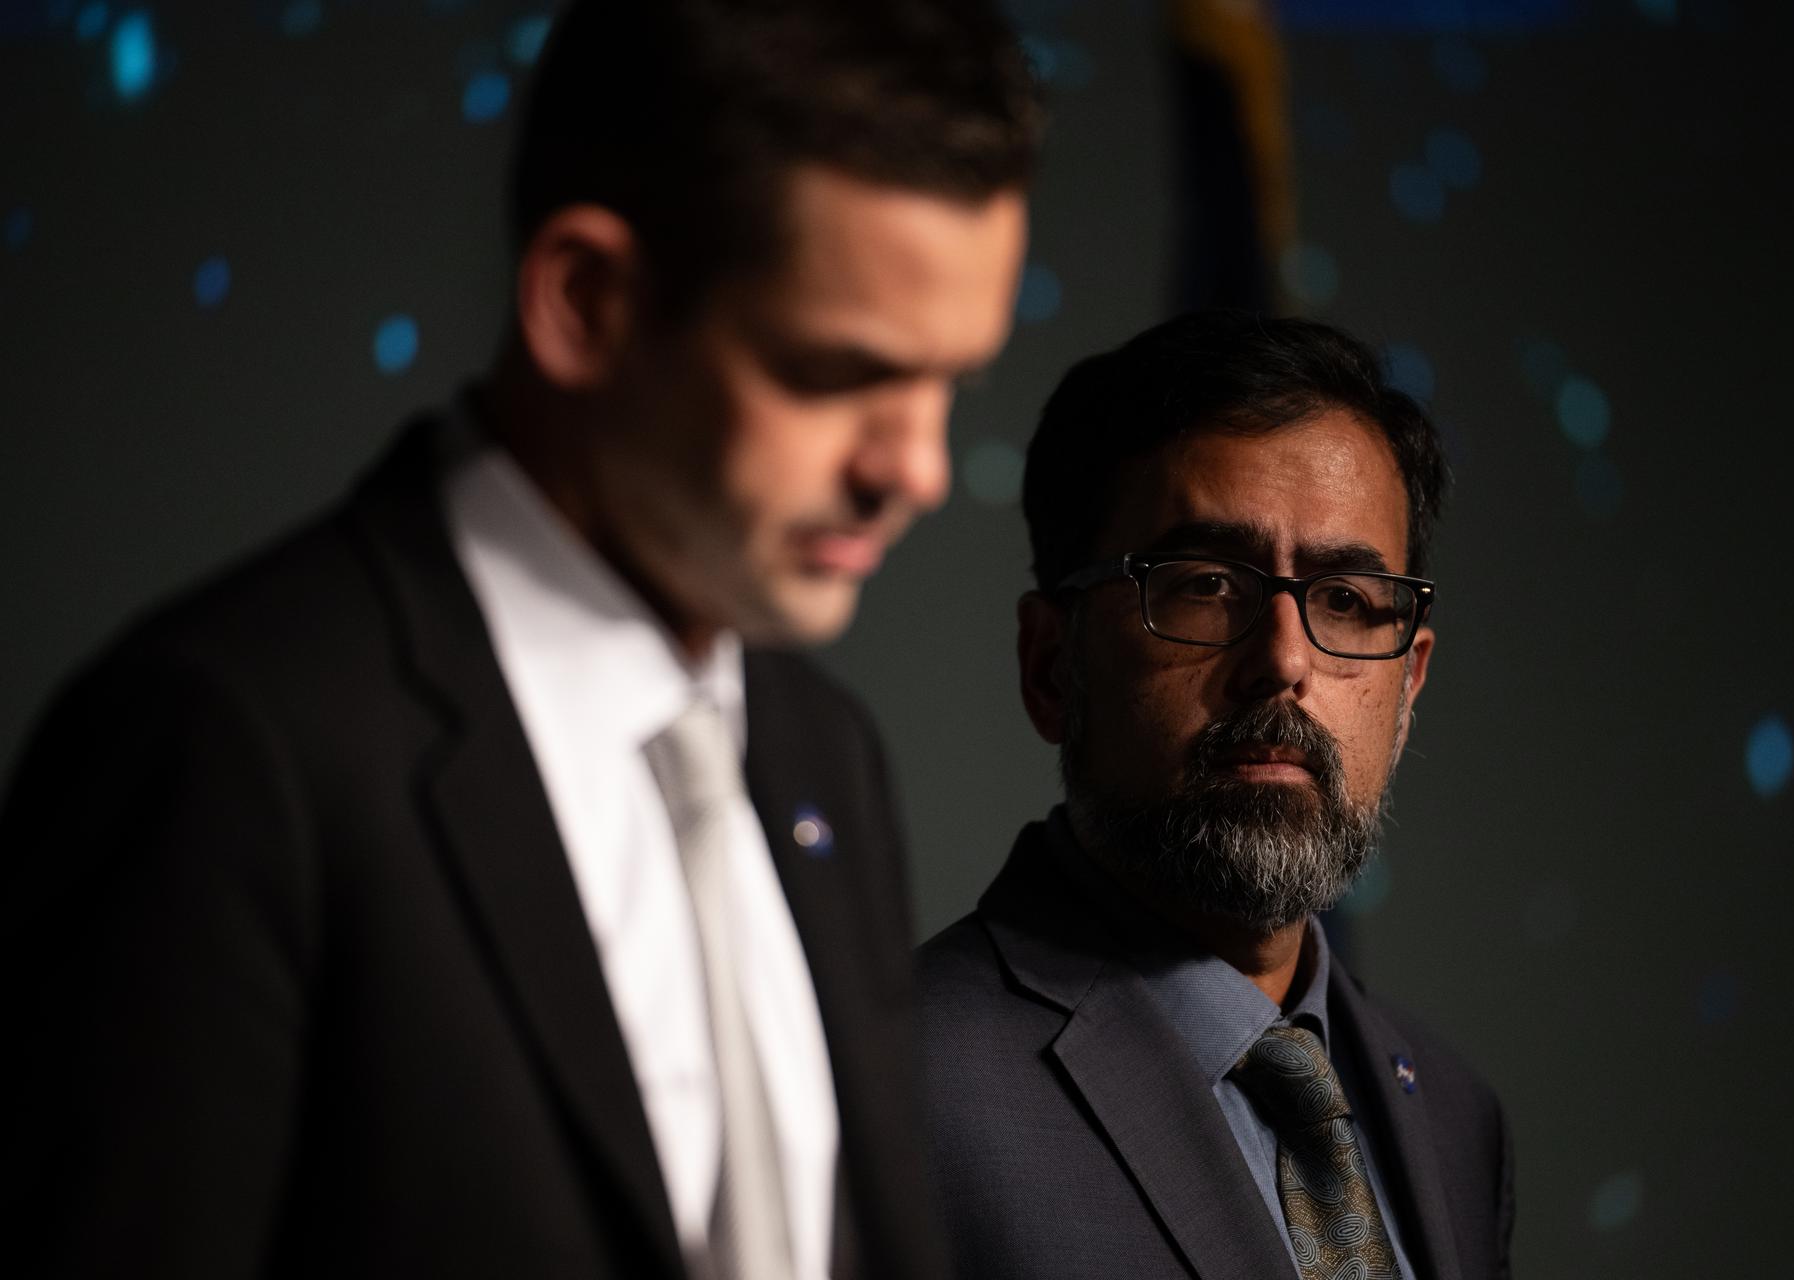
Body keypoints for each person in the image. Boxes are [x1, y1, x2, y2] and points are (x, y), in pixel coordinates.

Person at [1, 2, 1036, 1276]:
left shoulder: (827, 752)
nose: (917, 467)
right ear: (585, 301)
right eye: (838, 373)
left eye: (952, 382)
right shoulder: (225, 744)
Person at [917, 311, 1513, 1280]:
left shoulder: (1454, 1118)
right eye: (1205, 584)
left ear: (1408, 685)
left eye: (1347, 600)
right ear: (1051, 665)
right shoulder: (887, 1087)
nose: (1283, 660)